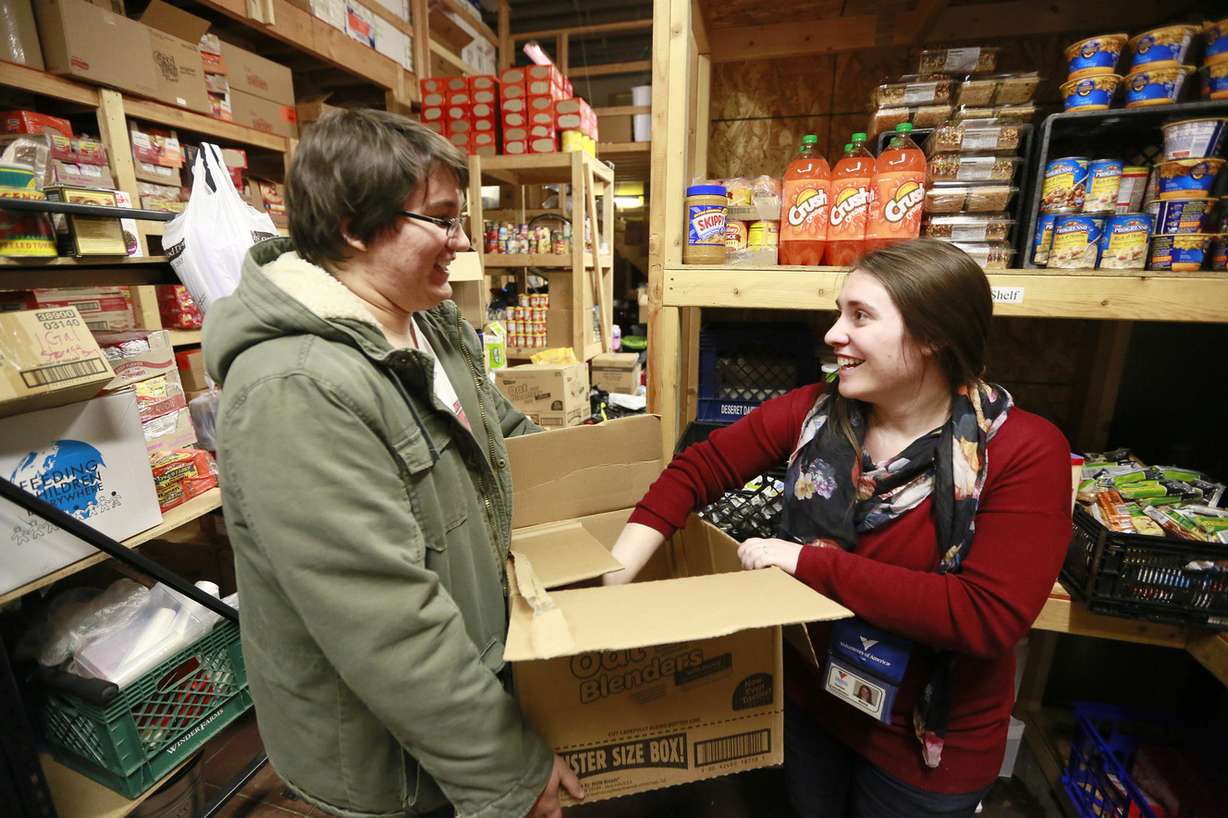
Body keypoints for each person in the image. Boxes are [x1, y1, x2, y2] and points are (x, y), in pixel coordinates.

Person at [604, 240, 1071, 818]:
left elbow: (985, 616)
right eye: (839, 311)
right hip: (814, 707)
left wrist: (806, 563)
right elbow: (699, 469)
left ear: (932, 337)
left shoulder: (1025, 452)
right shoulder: (817, 413)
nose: (832, 333)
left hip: (924, 753)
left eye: (861, 316)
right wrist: (613, 580)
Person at [204, 110, 583, 818]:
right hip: (393, 770)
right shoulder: (298, 389)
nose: (462, 242)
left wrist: (606, 474)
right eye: (441, 220)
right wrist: (508, 771)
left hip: (463, 708)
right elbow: (385, 621)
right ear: (354, 225)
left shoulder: (423, 321)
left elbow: (494, 430)